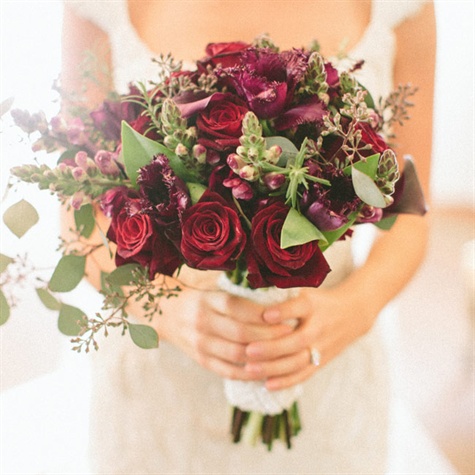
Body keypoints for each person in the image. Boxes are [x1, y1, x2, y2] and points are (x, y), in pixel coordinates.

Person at [60, 1, 450, 473]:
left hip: (322, 360)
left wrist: (353, 309)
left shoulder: (403, 8)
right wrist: (168, 310)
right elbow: (76, 218)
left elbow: (410, 210)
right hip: (162, 379)